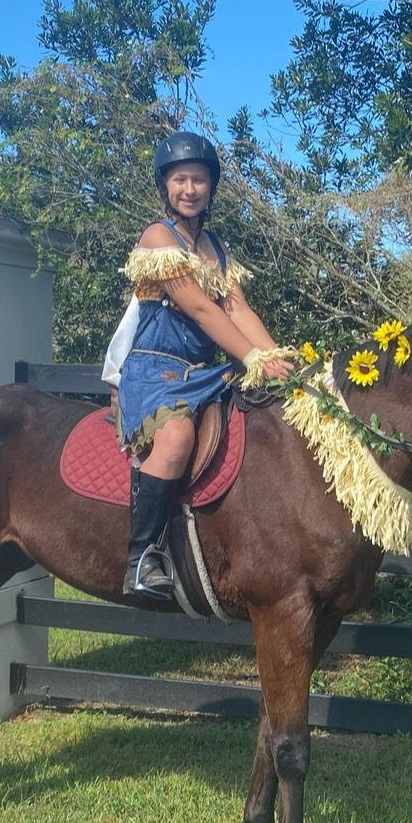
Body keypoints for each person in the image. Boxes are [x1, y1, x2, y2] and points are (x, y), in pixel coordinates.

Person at [108, 131, 295, 600]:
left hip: (205, 371)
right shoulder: (157, 238)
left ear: (211, 187)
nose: (189, 189)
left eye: (198, 180)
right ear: (165, 186)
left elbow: (237, 310)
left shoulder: (215, 245)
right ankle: (141, 558)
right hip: (156, 372)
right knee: (176, 436)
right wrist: (251, 357)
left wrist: (274, 358)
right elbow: (199, 308)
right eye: (180, 180)